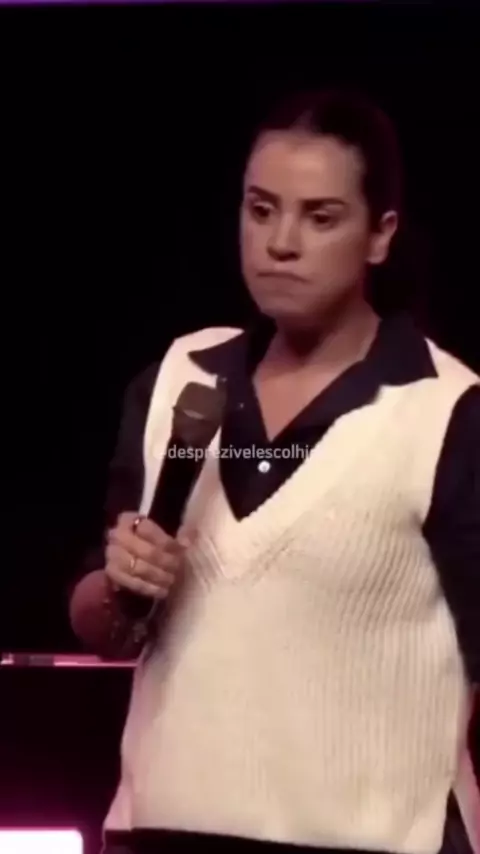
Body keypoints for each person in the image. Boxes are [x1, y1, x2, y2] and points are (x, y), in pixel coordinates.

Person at [69, 89, 480, 854]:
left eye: (320, 218)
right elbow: (103, 622)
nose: (280, 243)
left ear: (380, 235)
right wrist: (118, 587)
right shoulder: (179, 377)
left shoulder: (446, 410)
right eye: (261, 210)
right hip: (163, 828)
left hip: (372, 839)